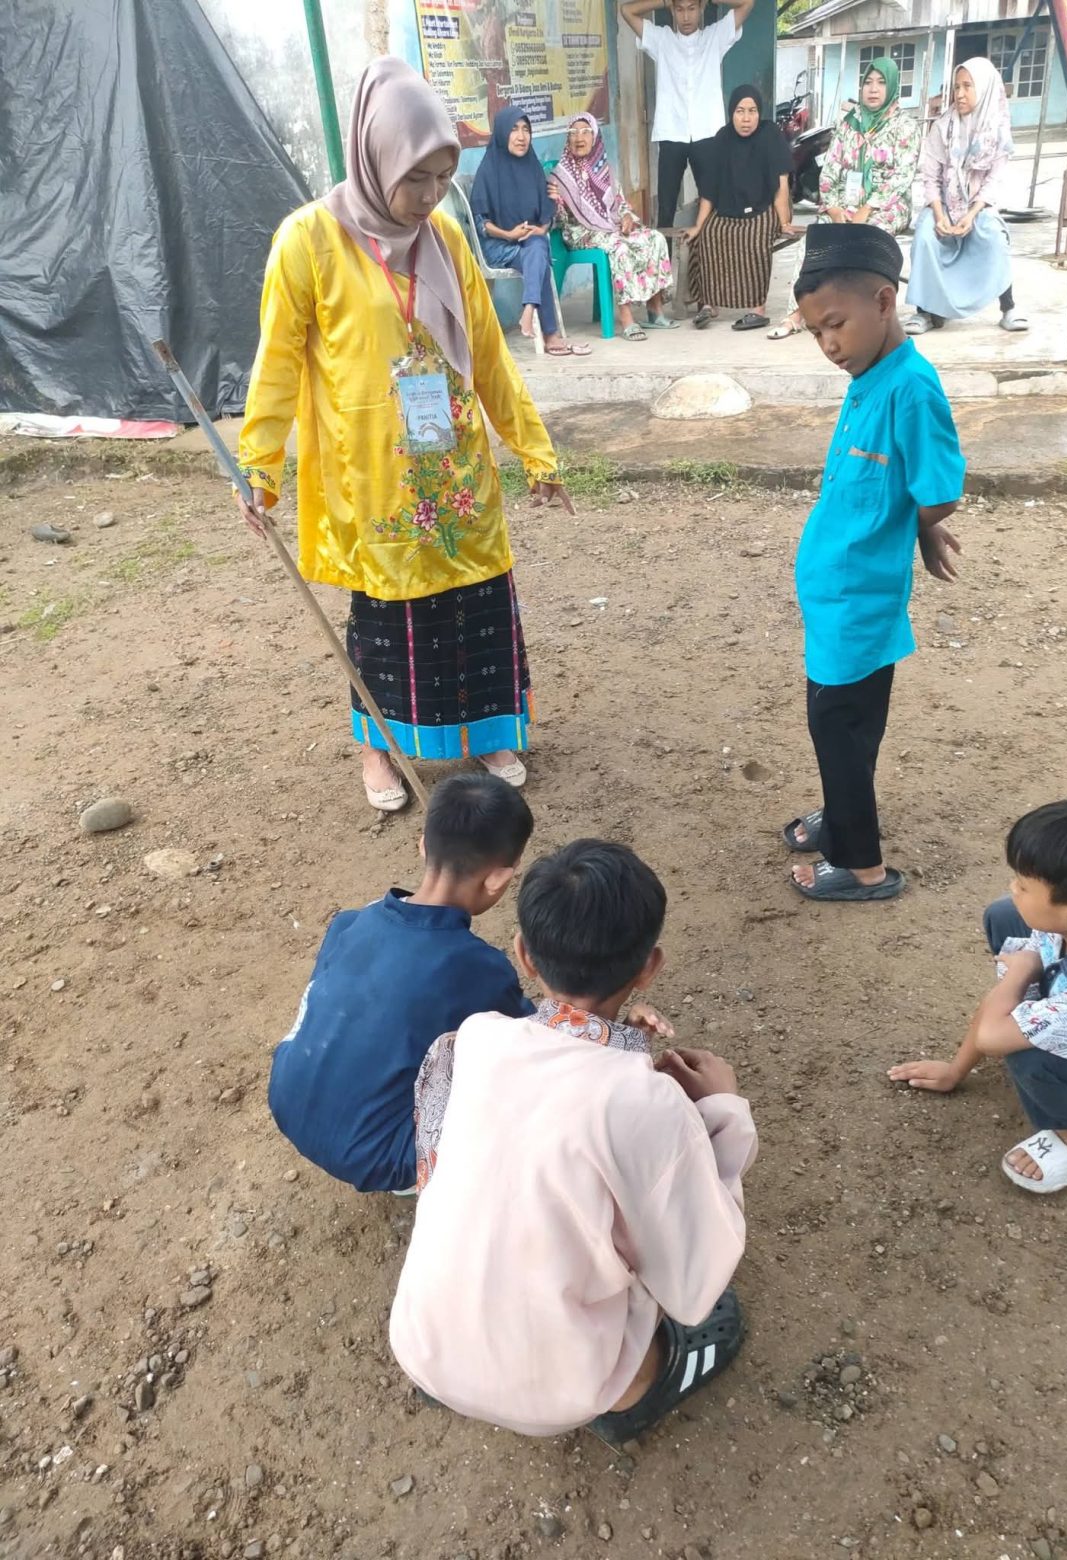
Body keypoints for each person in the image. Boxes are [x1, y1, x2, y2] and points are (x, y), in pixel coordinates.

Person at [236, 60, 573, 817]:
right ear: (376, 156)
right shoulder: (307, 241)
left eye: (443, 178)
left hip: (454, 469)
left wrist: (534, 450)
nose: (429, 196)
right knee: (386, 622)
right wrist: (257, 466)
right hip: (373, 475)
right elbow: (277, 364)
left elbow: (489, 357)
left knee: (477, 603)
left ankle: (488, 733)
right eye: (415, 178)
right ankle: (377, 746)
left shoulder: (445, 237)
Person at [389, 840, 758, 1441]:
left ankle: (466, 1361)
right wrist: (721, 1110)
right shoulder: (648, 1103)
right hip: (557, 1396)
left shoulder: (474, 1040)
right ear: (649, 967)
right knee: (678, 1282)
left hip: (422, 1346)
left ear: (524, 955)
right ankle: (634, 1394)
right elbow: (692, 1282)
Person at [784, 222, 966, 902]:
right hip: (835, 595)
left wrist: (920, 530)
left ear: (884, 302)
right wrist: (913, 529)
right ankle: (842, 812)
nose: (828, 345)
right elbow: (893, 484)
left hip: (859, 600)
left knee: (838, 725)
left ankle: (860, 865)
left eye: (835, 324)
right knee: (844, 723)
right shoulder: (868, 375)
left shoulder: (911, 388)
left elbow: (939, 491)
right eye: (816, 333)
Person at [268, 774, 535, 1194]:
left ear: (423, 845)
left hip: (285, 1098)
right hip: (380, 1157)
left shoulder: (351, 922)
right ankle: (424, 1177)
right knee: (510, 1078)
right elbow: (533, 1043)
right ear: (498, 879)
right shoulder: (479, 968)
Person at [889, 797, 1067, 1194]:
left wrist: (1020, 972)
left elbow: (992, 1037)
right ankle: (1039, 1034)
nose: (1013, 887)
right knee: (1005, 915)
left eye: (1023, 885)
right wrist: (955, 1070)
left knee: (1029, 1049)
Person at [769, 58, 921, 342]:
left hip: (886, 206)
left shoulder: (905, 127)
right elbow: (830, 171)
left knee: (866, 238)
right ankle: (798, 313)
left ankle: (862, 316)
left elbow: (902, 176)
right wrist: (834, 207)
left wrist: (867, 208)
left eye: (881, 83)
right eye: (868, 82)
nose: (873, 89)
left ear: (891, 87)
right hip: (844, 205)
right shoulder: (848, 124)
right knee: (814, 240)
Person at [905, 58, 1028, 335]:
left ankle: (1008, 307)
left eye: (967, 86)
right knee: (924, 236)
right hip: (943, 204)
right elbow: (930, 178)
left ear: (983, 89)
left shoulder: (998, 132)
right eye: (956, 87)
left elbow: (993, 182)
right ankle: (924, 312)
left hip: (978, 206)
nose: (959, 94)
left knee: (994, 236)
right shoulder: (942, 127)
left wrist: (971, 215)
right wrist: (939, 216)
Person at [619, 0, 755, 230]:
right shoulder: (662, 39)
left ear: (701, 9)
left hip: (708, 134)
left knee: (713, 201)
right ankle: (664, 254)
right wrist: (665, 1)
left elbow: (747, 3)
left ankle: (712, 252)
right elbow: (626, 10)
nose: (686, 16)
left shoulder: (715, 36)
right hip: (671, 132)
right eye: (679, 9)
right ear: (672, 11)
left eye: (692, 8)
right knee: (666, 207)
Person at [471, 106, 591, 357]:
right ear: (502, 133)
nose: (521, 136)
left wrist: (541, 227)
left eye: (526, 129)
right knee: (538, 255)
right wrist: (509, 235)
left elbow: (546, 213)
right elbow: (481, 223)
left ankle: (529, 308)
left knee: (537, 247)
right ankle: (550, 334)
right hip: (499, 244)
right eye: (514, 129)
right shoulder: (488, 169)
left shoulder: (532, 166)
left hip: (529, 241)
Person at [549, 114, 675, 342]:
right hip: (580, 232)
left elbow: (619, 202)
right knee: (619, 248)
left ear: (595, 137)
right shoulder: (560, 175)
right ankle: (626, 319)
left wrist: (626, 216)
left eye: (585, 132)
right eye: (573, 133)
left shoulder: (604, 169)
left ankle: (655, 311)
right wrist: (555, 200)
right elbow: (557, 220)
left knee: (654, 237)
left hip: (610, 226)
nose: (579, 137)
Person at [685, 85, 796, 332]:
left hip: (768, 204)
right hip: (731, 204)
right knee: (710, 234)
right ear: (731, 113)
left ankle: (757, 309)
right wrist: (698, 225)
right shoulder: (722, 138)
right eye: (740, 111)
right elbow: (709, 189)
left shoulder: (770, 135)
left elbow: (781, 184)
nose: (746, 118)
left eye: (752, 111)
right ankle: (709, 304)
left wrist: (784, 221)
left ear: (759, 113)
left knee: (755, 238)